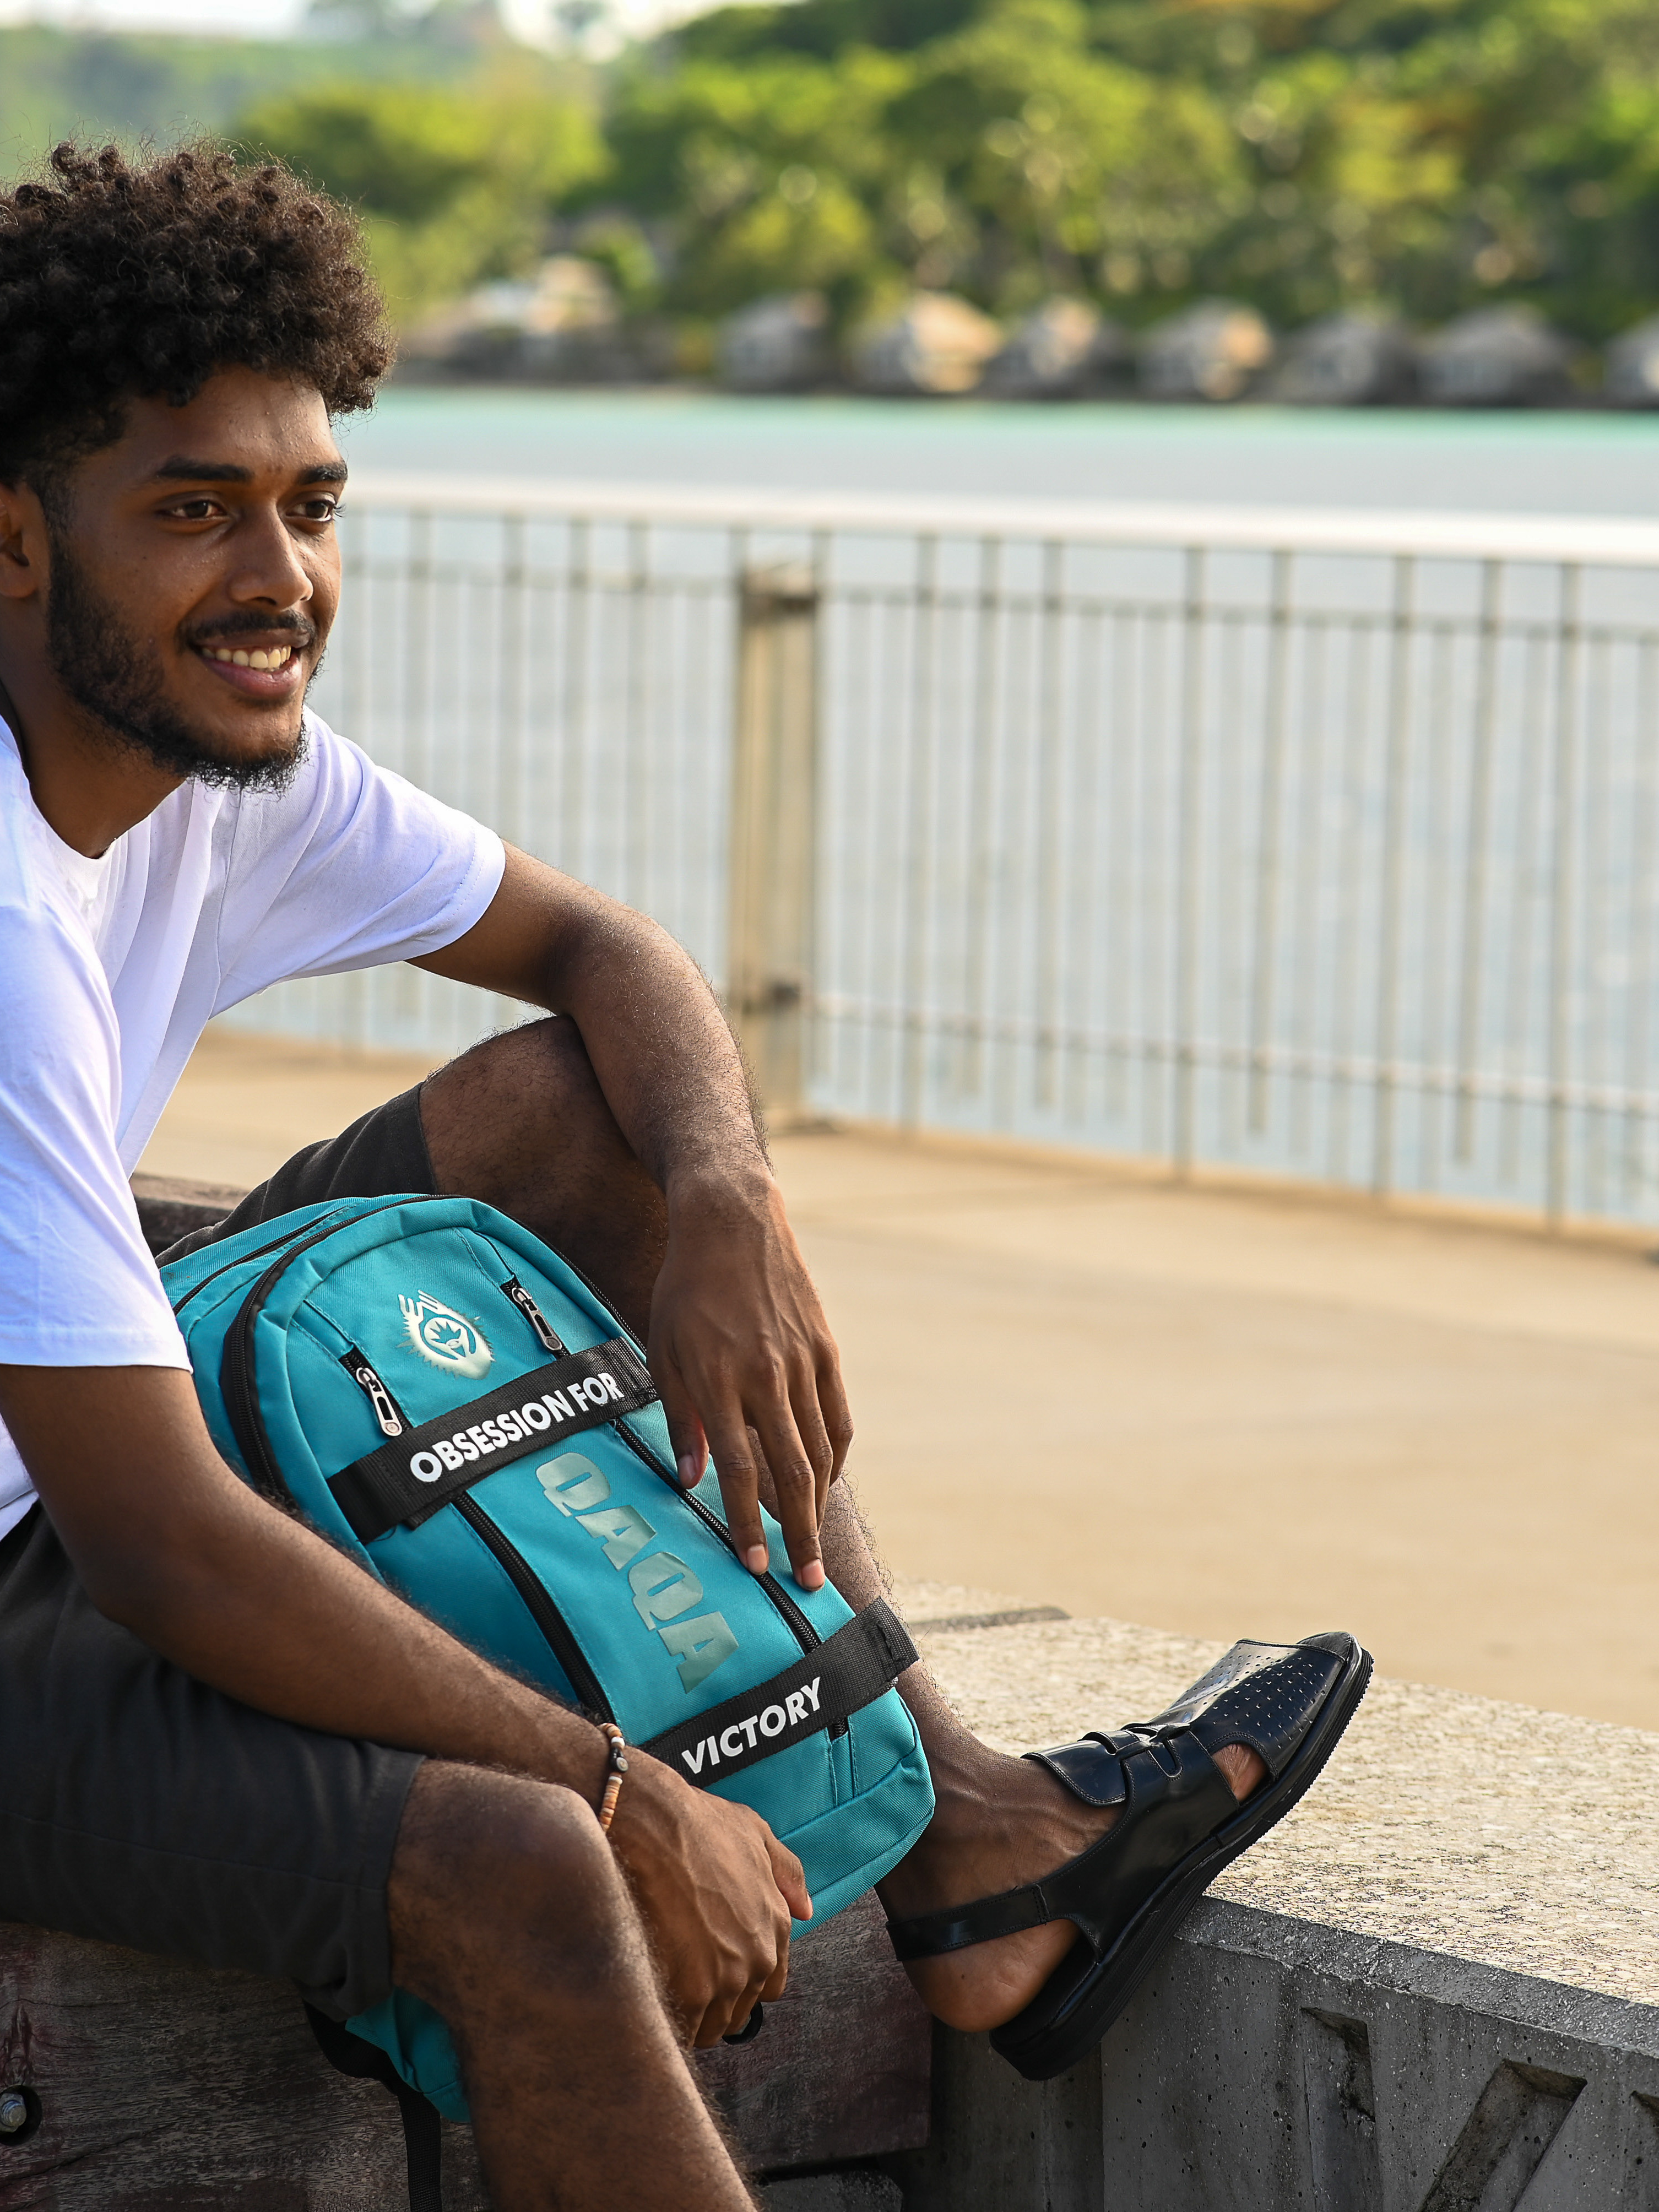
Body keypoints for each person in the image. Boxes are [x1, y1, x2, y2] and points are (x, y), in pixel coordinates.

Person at [0, 143, 1367, 2210]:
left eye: (310, 504)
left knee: (594, 1103)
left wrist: (727, 1202)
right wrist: (622, 1787)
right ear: (17, 538)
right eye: (195, 511)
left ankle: (962, 1825)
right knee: (522, 1859)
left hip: (75, 1453)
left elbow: (602, 951)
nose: (278, 576)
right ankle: (839, 1829)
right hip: (49, 1555)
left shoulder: (206, 762)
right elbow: (159, 1546)